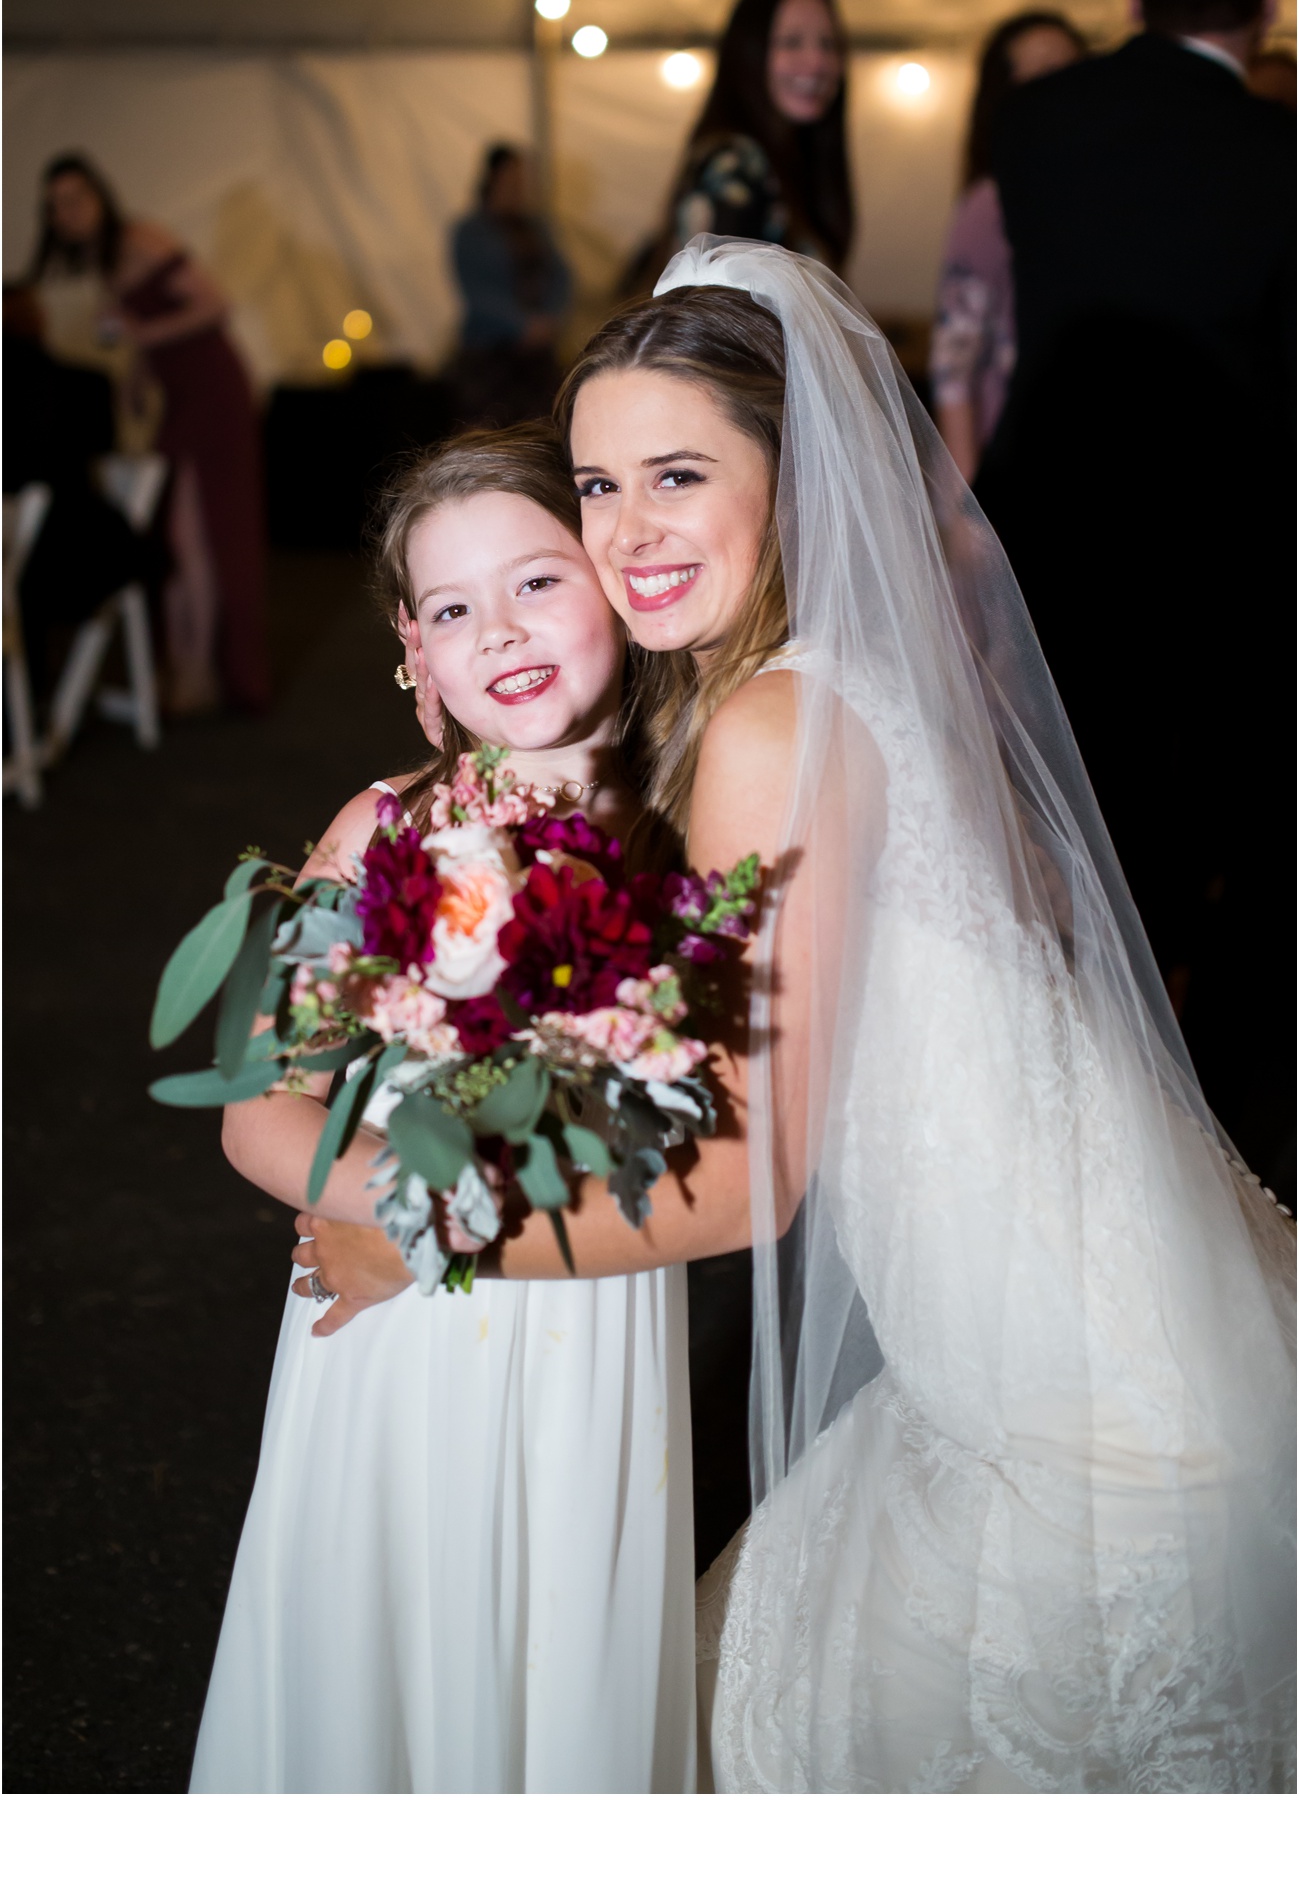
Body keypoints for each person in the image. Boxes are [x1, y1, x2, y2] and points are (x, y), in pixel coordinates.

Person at [294, 238, 1294, 1792]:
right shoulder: (863, 680)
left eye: (676, 475)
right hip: (1125, 1344)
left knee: (725, 1744)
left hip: (1086, 1441)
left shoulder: (771, 722)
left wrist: (420, 1228)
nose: (624, 532)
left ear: (795, 472)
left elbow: (745, 1173)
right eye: (597, 486)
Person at [190, 425, 695, 1793]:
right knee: (388, 1666)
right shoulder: (375, 834)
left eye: (536, 582)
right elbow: (258, 1116)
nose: (500, 632)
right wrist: (413, 1215)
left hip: (576, 1321)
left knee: (546, 1674)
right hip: (384, 1346)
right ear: (414, 652)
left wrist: (436, 1233)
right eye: (454, 609)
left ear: (612, 587)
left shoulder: (693, 842)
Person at [981, 0, 1294, 1183]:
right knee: (1243, 842)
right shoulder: (1277, 151)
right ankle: (1225, 1139)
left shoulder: (1036, 120)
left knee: (1076, 835)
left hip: (1057, 530)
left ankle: (1078, 1123)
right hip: (1234, 545)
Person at [33, 154, 270, 715]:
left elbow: (214, 304)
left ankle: (199, 675)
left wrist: (141, 332)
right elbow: (146, 339)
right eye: (57, 206)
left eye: (76, 199)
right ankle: (190, 669)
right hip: (178, 396)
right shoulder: (102, 259)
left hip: (212, 389)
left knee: (199, 537)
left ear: (99, 197)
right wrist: (135, 375)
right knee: (180, 536)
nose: (69, 214)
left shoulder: (142, 237)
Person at [623, 0, 852, 302]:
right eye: (791, 42)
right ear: (747, 54)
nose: (817, 62)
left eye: (829, 44)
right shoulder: (735, 164)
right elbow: (719, 323)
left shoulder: (784, 166)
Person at [930, 12, 1086, 485]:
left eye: (1071, 72)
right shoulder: (993, 202)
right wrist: (967, 507)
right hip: (1010, 467)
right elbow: (954, 360)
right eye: (1039, 76)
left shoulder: (1095, 199)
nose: (1059, 90)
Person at [3, 282, 160, 695]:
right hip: (77, 546)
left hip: (46, 556)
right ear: (41, 320)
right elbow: (107, 452)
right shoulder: (87, 383)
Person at [448, 145, 572, 427]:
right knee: (492, 429)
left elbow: (562, 275)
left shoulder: (535, 227)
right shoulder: (470, 231)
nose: (519, 184)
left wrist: (550, 319)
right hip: (490, 353)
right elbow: (475, 292)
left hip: (535, 355)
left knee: (540, 426)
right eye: (512, 176)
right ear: (494, 178)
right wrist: (522, 324)